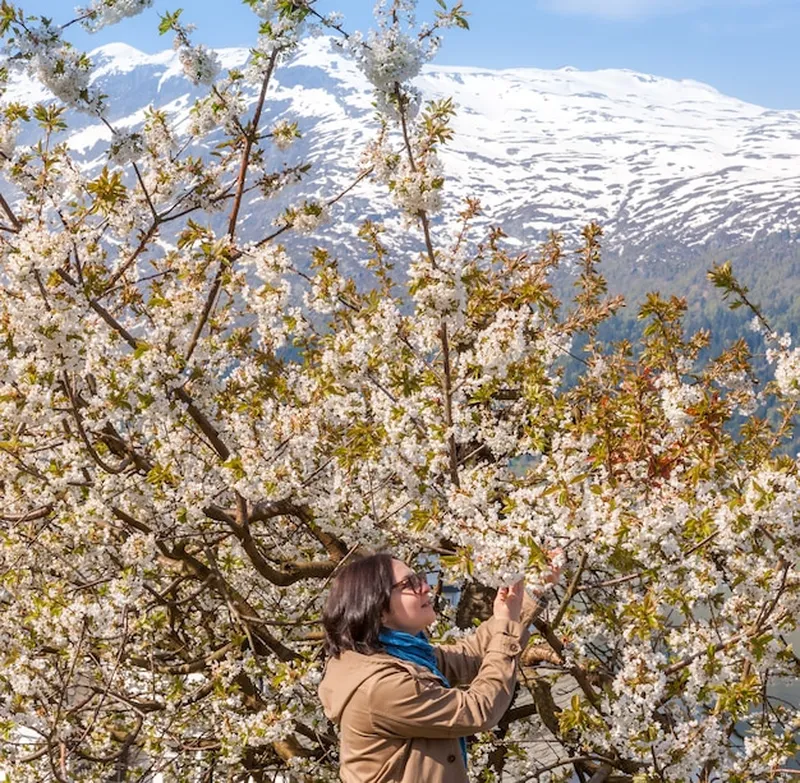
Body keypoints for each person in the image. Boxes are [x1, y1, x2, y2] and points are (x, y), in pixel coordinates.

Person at [318, 553, 550, 783]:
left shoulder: (396, 655)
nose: (426, 588)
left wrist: (530, 595)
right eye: (409, 584)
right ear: (377, 608)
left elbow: (468, 656)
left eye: (419, 577)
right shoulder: (380, 685)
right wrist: (506, 628)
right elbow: (477, 710)